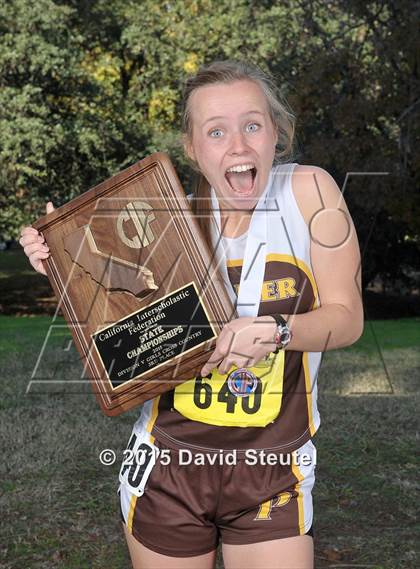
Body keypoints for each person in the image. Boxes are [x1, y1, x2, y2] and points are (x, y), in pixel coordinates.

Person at [19, 60, 363, 569]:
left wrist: (279, 330)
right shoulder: (162, 218)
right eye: (216, 131)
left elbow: (348, 318)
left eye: (252, 125)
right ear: (192, 146)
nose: (239, 146)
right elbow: (122, 346)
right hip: (169, 465)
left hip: (272, 466)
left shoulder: (310, 192)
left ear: (276, 133)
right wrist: (63, 262)